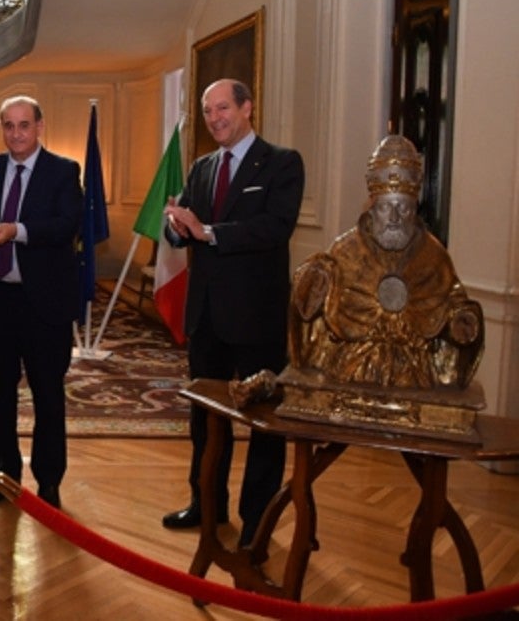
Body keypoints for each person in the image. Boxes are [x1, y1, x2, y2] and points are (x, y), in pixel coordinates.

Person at [161, 79, 304, 548]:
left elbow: (274, 228)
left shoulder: (282, 163)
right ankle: (206, 505)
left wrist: (210, 233)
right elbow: (190, 231)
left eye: (223, 108)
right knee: (205, 419)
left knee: (264, 423)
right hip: (206, 317)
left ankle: (256, 524)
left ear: (247, 107)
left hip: (257, 318)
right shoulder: (202, 167)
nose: (215, 118)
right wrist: (178, 228)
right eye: (208, 111)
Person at [0, 95, 83, 509]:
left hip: (45, 303)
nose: (16, 134)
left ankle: (49, 483)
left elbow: (67, 225)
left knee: (48, 395)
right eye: (9, 126)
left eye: (24, 125)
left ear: (39, 126)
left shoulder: (64, 172)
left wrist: (18, 230)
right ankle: (7, 475)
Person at [288, 134, 482, 390]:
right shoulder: (345, 251)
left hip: (416, 378)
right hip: (352, 372)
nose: (393, 218)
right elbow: (308, 311)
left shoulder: (434, 256)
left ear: (415, 208)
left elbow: (453, 300)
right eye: (385, 208)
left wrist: (462, 320)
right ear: (372, 207)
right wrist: (312, 288)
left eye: (403, 208)